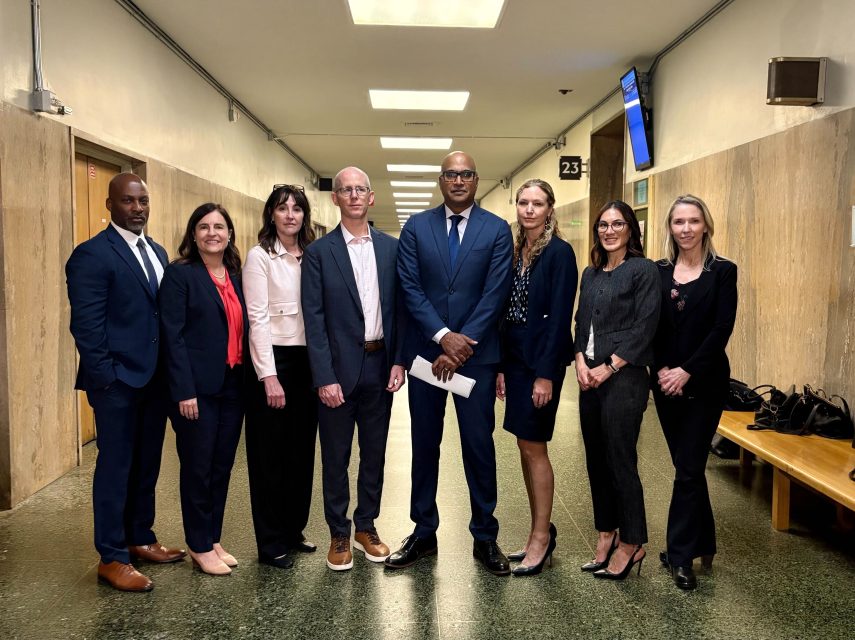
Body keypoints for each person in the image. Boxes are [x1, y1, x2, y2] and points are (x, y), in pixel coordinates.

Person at [388, 151, 514, 576]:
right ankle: (423, 531)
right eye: (450, 175)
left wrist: (461, 345)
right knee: (424, 444)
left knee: (479, 446)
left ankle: (485, 535)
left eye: (466, 174)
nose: (458, 181)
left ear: (477, 180)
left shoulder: (497, 230)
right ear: (440, 181)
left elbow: (495, 291)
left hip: (475, 359)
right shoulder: (416, 227)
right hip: (427, 357)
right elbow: (409, 286)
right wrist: (443, 337)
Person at [66, 173, 185, 592]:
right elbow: (86, 327)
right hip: (117, 382)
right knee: (115, 467)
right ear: (110, 205)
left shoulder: (156, 250)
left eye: (143, 201)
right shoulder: (92, 255)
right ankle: (112, 556)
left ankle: (140, 537)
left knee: (148, 463)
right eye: (128, 201)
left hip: (154, 381)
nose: (138, 208)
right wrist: (107, 380)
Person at [301, 167, 406, 572]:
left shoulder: (391, 249)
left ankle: (366, 526)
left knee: (375, 453)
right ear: (336, 199)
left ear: (371, 197)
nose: (354, 195)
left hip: (381, 365)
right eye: (346, 190)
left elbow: (400, 311)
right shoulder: (319, 253)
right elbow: (314, 319)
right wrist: (324, 376)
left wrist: (398, 359)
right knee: (336, 456)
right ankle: (339, 532)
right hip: (338, 372)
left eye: (361, 189)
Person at [652, 194, 737, 591]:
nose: (685, 229)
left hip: (705, 383)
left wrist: (686, 370)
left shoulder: (723, 272)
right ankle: (705, 541)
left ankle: (680, 555)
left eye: (693, 221)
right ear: (669, 227)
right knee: (687, 467)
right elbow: (652, 327)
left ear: (706, 226)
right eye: (678, 222)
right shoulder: (658, 272)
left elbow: (721, 329)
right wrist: (664, 370)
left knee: (688, 468)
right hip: (665, 383)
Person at [159, 203, 248, 576]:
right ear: (193, 234)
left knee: (222, 466)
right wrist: (183, 390)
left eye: (219, 227)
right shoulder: (181, 275)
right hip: (196, 388)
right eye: (204, 227)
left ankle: (212, 537)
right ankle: (198, 544)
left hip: (233, 383)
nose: (212, 233)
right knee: (198, 466)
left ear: (229, 234)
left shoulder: (236, 275)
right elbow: (172, 335)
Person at [574, 200, 659, 581]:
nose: (609, 231)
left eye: (617, 224)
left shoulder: (643, 271)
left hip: (623, 379)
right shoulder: (591, 274)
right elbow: (580, 322)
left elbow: (645, 328)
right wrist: (579, 359)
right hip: (588, 377)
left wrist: (608, 367)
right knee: (595, 459)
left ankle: (633, 541)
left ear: (631, 230)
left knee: (620, 458)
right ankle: (606, 533)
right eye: (603, 225)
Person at [495, 179, 577, 576]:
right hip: (514, 360)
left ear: (550, 209)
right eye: (523, 202)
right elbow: (501, 311)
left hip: (541, 364)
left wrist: (545, 376)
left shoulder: (559, 254)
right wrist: (499, 368)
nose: (529, 209)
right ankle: (536, 531)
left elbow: (560, 319)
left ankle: (541, 537)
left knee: (535, 447)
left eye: (537, 203)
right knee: (524, 448)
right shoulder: (513, 251)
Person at [243, 184, 318, 570]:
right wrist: (268, 376)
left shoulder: (311, 255)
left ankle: (293, 529)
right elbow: (256, 318)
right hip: (275, 362)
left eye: (297, 209)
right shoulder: (260, 257)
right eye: (282, 208)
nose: (290, 215)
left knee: (301, 453)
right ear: (271, 214)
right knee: (269, 456)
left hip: (309, 362)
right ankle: (270, 542)